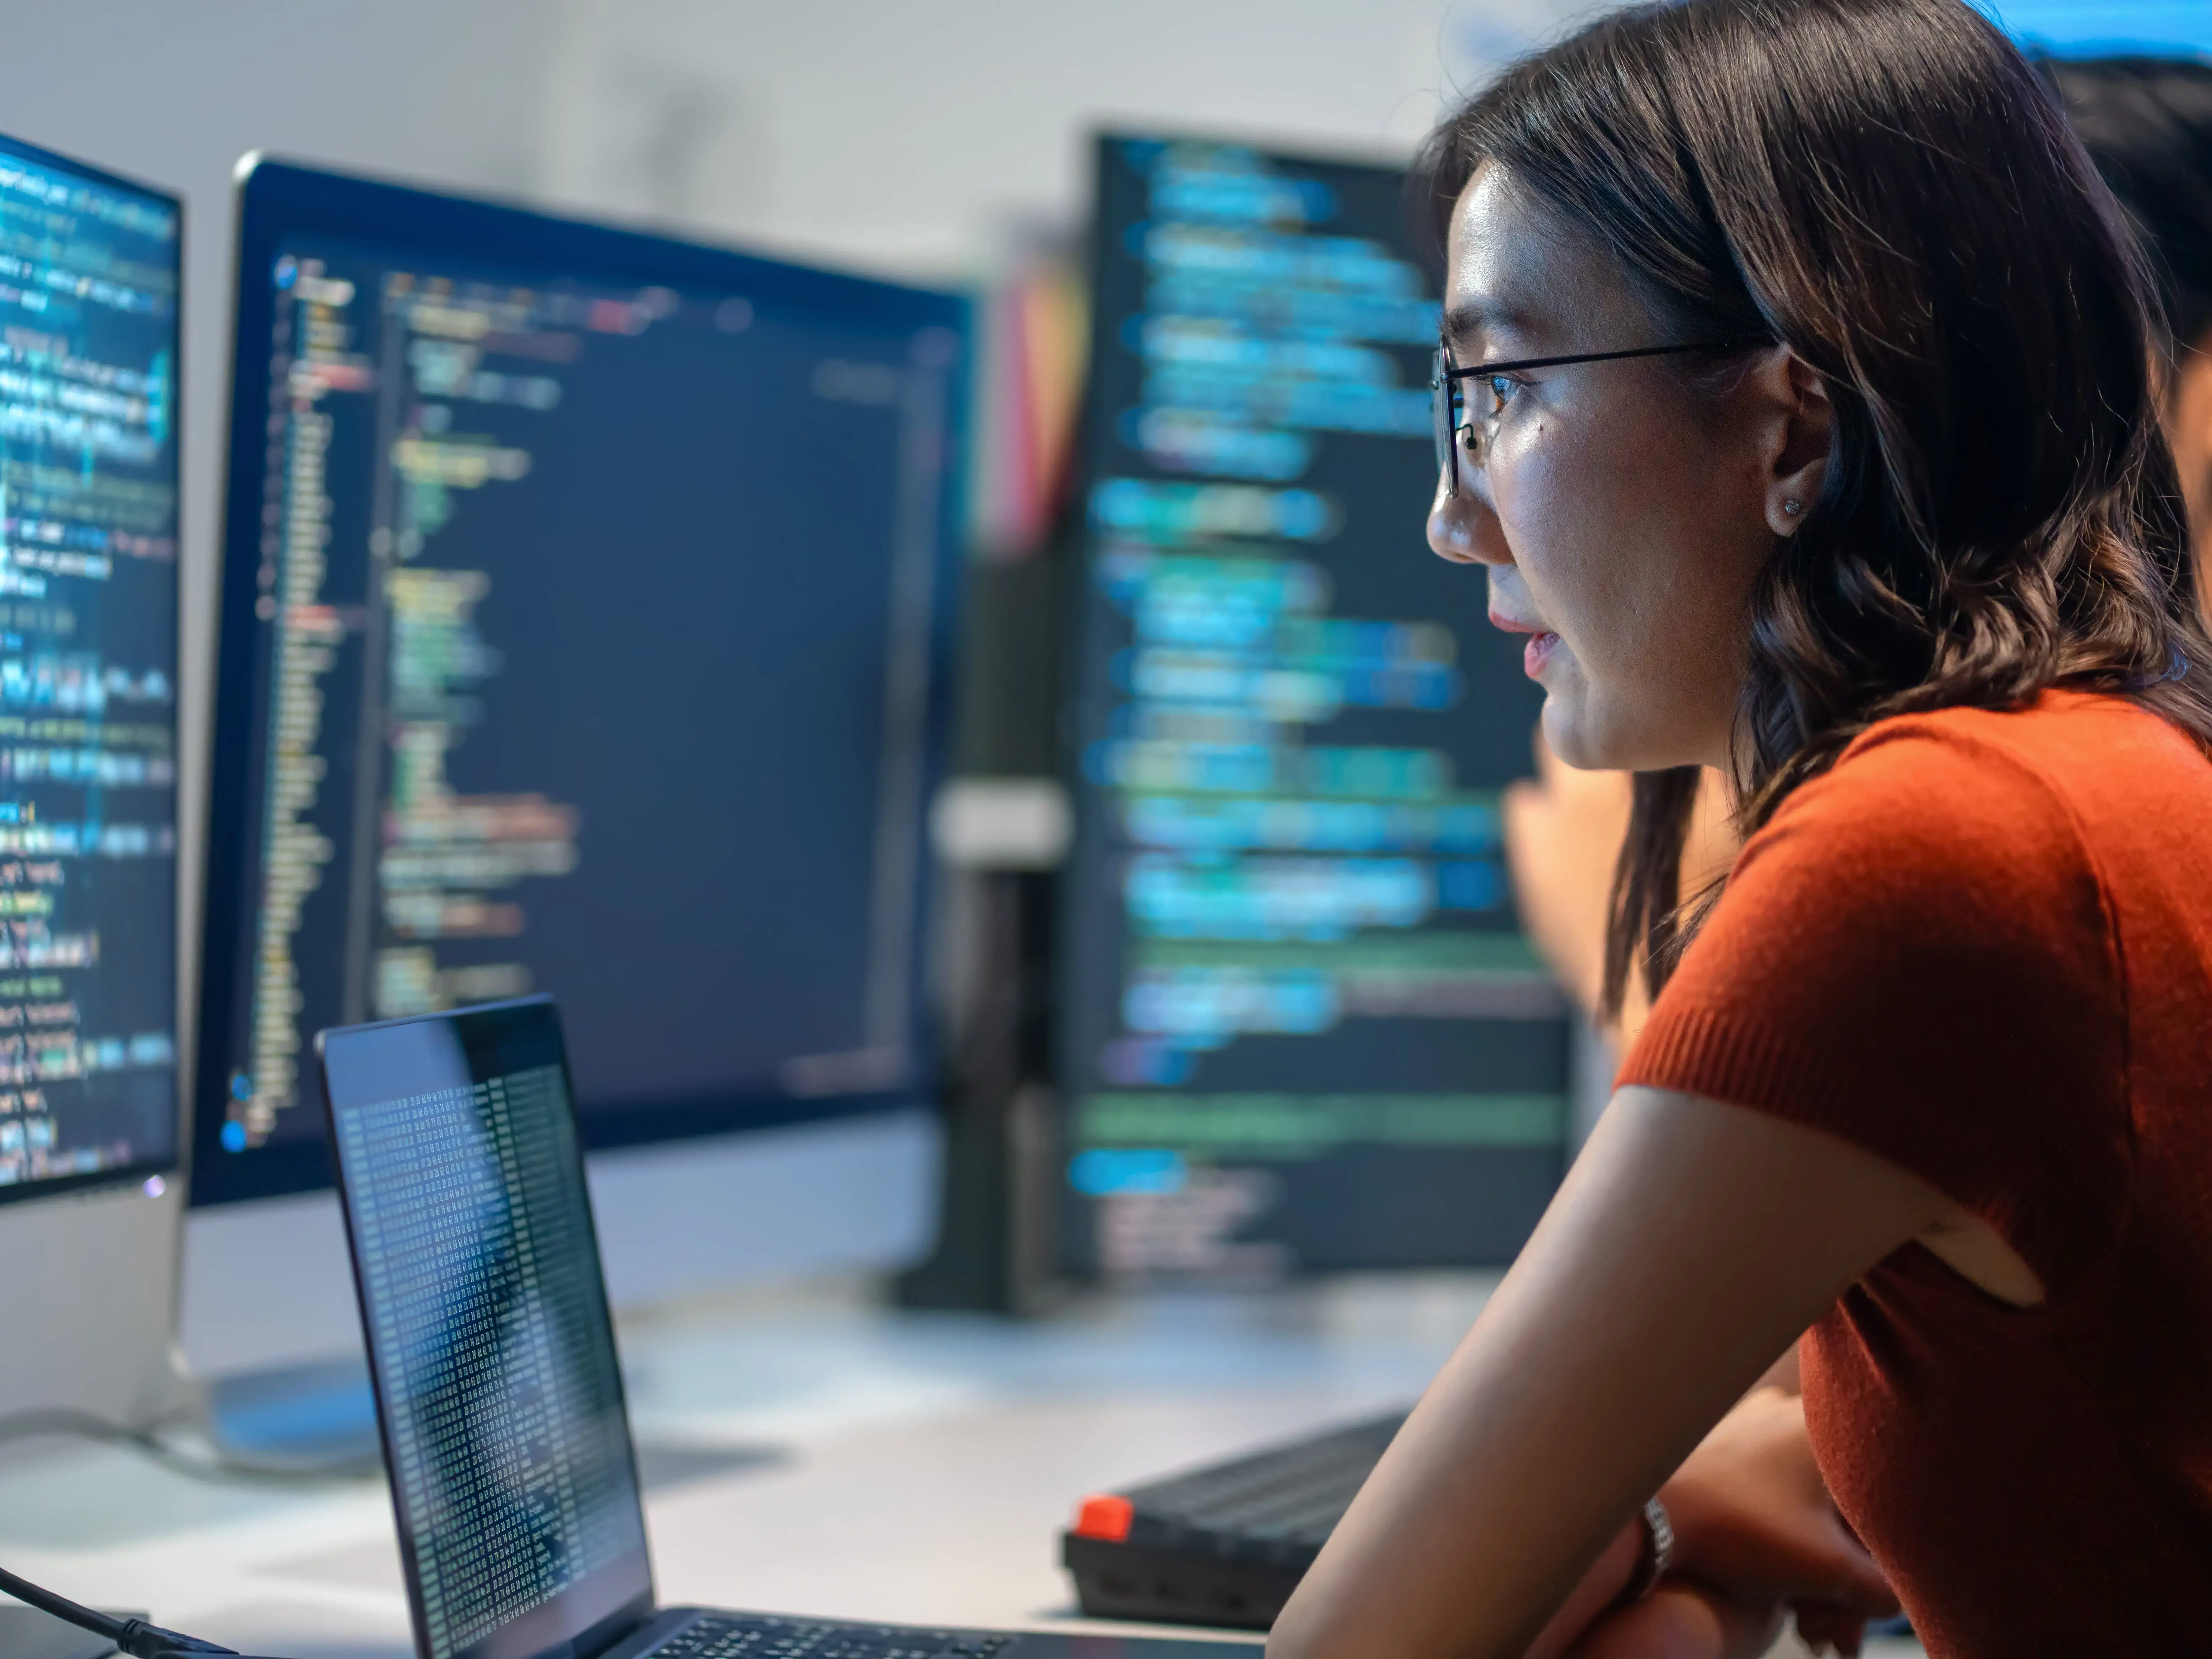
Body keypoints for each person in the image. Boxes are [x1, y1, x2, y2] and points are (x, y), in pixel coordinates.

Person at [1263, 0, 2212, 1655]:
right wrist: (1666, 1552)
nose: (1448, 510)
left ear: (1792, 428)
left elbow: (1355, 1646)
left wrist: (1626, 1552)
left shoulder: (1926, 853)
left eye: (1496, 389)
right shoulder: (2112, 760)